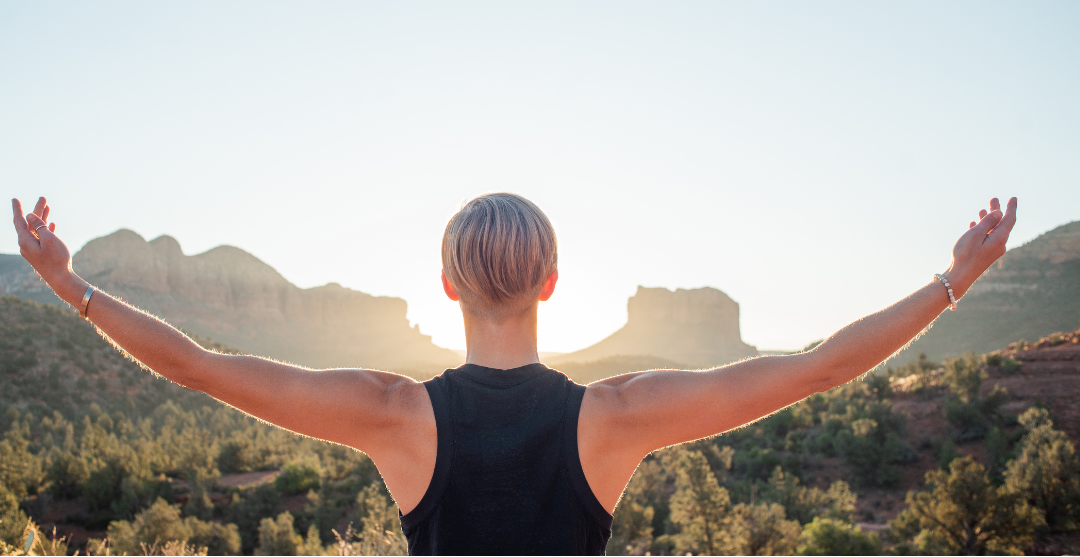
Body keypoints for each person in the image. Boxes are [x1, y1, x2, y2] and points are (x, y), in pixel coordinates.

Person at [11, 193, 1017, 555]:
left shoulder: (392, 414)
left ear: (446, 288)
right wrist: (951, 281)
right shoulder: (615, 418)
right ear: (551, 284)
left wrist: (73, 288)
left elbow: (197, 365)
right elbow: (817, 367)